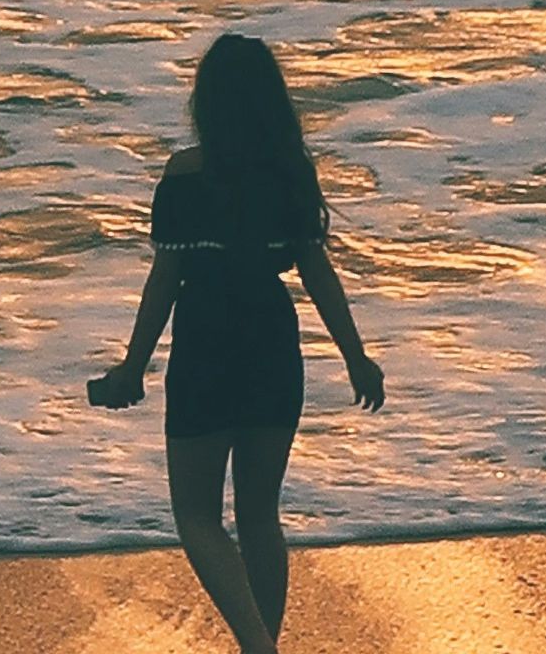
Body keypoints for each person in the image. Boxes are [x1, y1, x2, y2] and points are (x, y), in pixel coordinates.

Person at [89, 35, 383, 654]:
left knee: (197, 517)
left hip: (206, 341)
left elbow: (166, 278)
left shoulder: (185, 176)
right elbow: (317, 271)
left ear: (207, 102)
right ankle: (262, 645)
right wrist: (357, 358)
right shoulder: (290, 174)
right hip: (273, 341)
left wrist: (132, 369)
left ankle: (258, 645)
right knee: (258, 517)